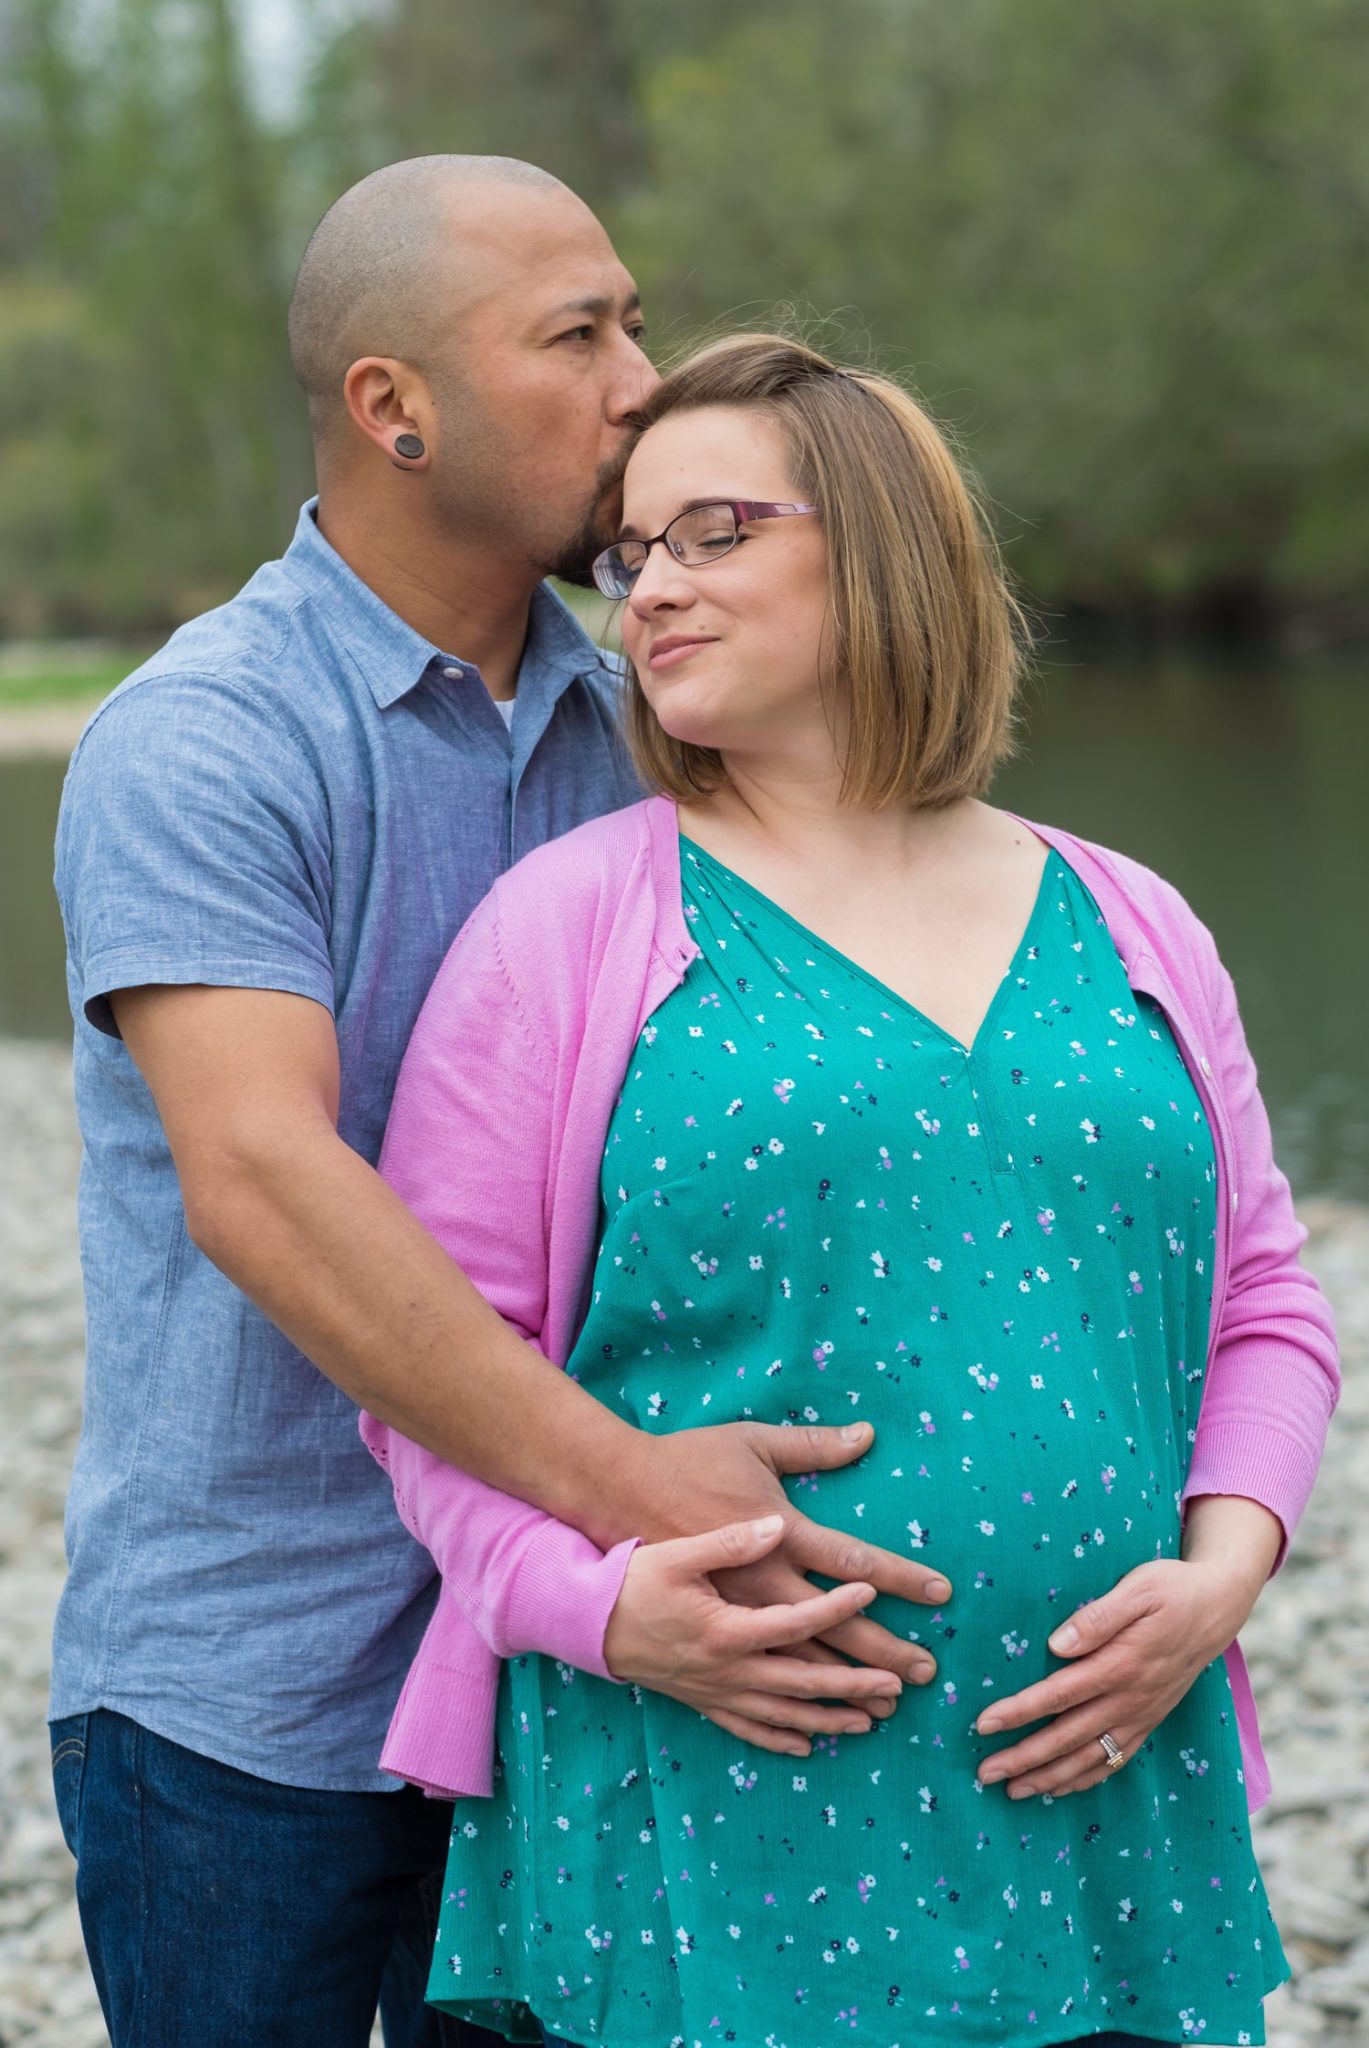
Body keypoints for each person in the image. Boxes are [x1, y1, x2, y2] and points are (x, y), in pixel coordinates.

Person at [48, 165, 947, 2048]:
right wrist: (638, 1497)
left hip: (587, 1670)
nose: (638, 380)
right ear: (395, 409)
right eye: (576, 337)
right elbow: (262, 1183)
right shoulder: (202, 741)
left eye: (631, 318)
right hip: (262, 1695)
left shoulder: (661, 728)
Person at [363, 334, 1341, 2047]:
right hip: (710, 1798)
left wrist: (1223, 1574)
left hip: (1103, 1788)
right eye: (629, 553)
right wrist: (598, 1614)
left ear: (883, 544)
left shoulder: (1132, 919)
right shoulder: (569, 927)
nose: (648, 588)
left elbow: (1262, 1299)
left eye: (711, 533)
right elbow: (432, 1371)